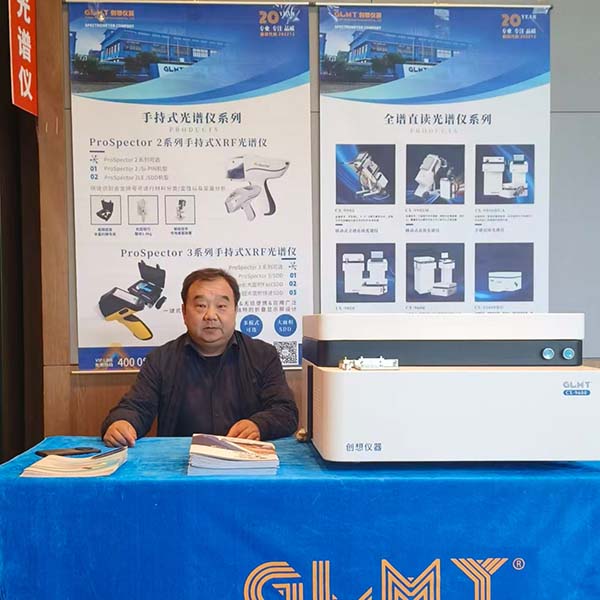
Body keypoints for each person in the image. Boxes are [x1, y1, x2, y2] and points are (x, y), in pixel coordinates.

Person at [101, 268, 298, 446]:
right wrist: (122, 423)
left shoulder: (263, 355)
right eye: (201, 305)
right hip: (181, 465)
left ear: (235, 310)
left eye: (221, 306)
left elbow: (285, 411)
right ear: (184, 312)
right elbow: (136, 407)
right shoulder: (160, 360)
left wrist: (258, 425)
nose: (211, 315)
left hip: (246, 463)